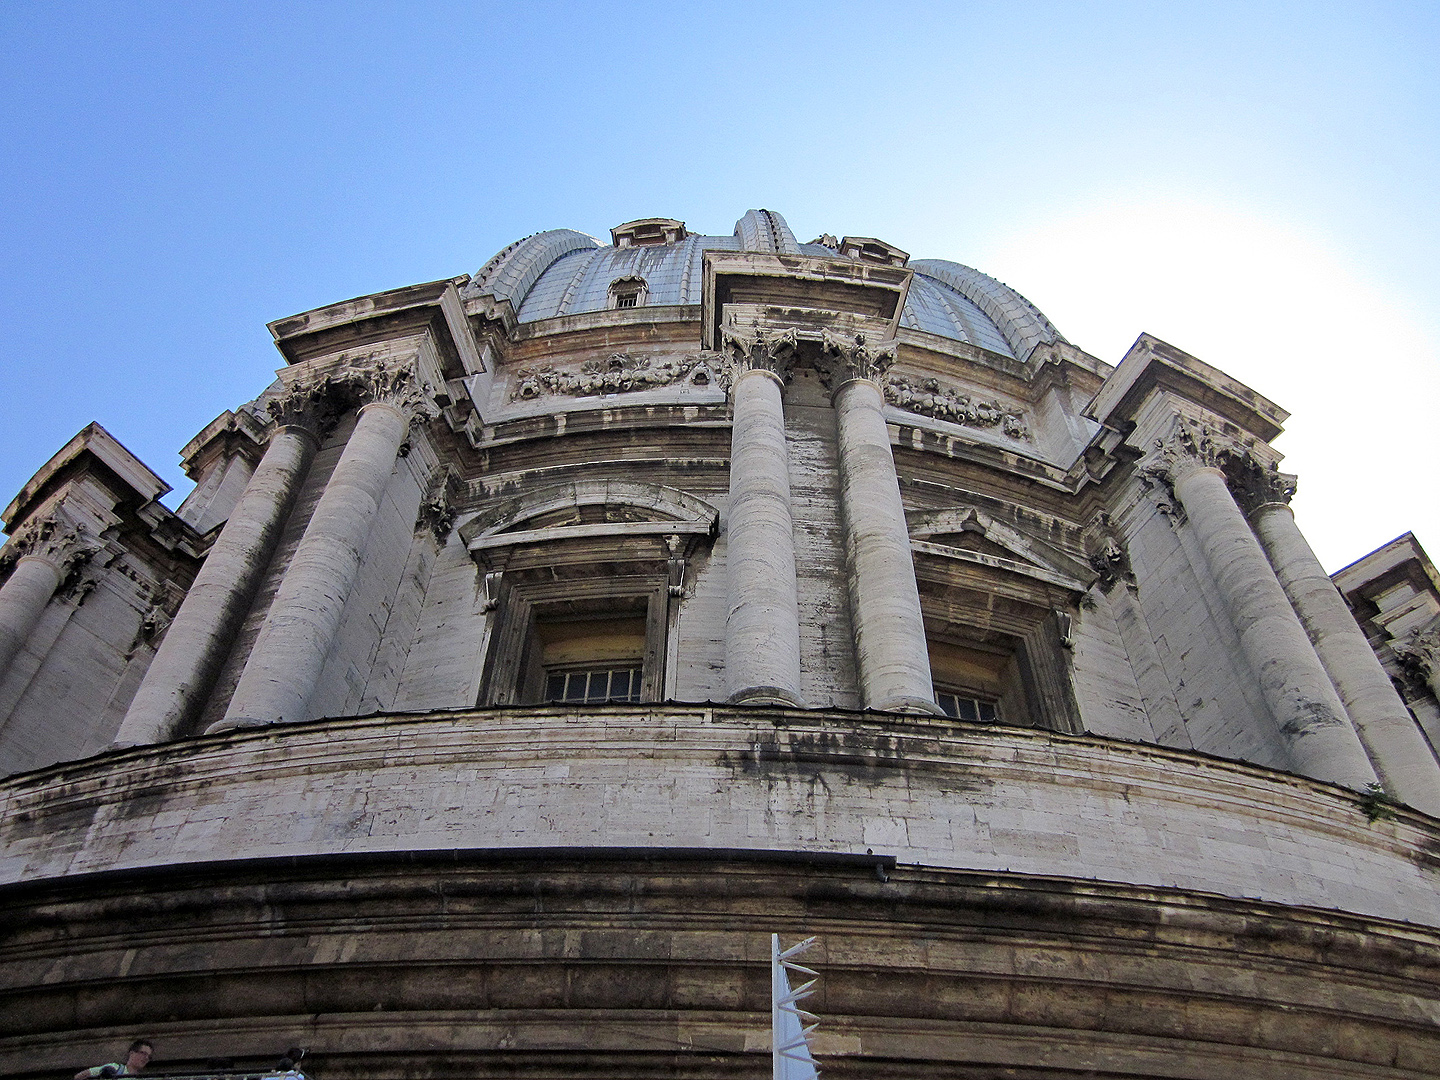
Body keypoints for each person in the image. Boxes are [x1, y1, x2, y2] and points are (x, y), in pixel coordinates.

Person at [75, 1040, 152, 1079]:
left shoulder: (143, 1078)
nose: (146, 1058)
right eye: (143, 1053)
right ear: (132, 1053)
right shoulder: (115, 1068)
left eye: (149, 1056)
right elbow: (80, 1076)